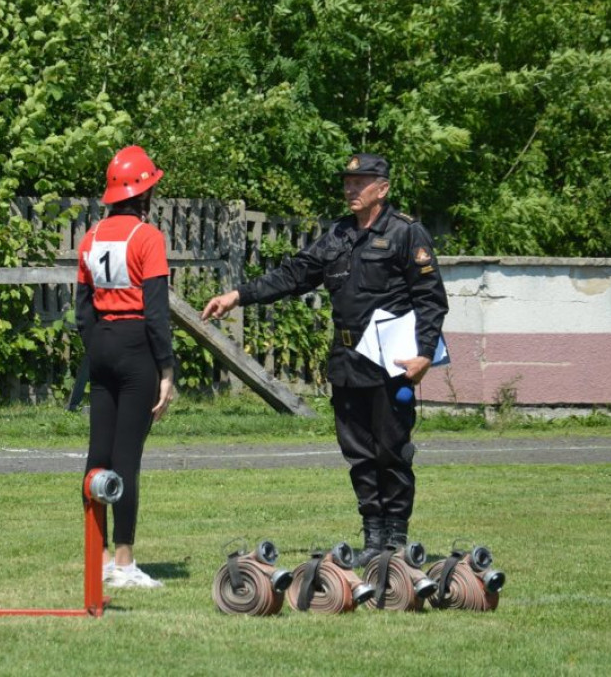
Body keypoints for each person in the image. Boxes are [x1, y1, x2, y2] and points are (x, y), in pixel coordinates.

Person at [201, 153, 448, 568]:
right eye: (348, 182)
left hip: (391, 363)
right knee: (358, 451)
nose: (351, 188)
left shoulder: (406, 233)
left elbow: (430, 299)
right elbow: (294, 275)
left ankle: (397, 538)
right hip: (348, 360)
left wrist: (424, 354)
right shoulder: (337, 234)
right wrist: (237, 296)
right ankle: (373, 536)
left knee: (392, 449)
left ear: (382, 188)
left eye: (360, 182)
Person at [76, 145, 176, 589]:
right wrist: (166, 369)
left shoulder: (91, 237)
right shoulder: (148, 238)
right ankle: (123, 561)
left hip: (101, 344)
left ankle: (93, 556)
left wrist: (97, 345)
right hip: (137, 346)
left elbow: (82, 310)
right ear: (145, 193)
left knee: (97, 457)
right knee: (126, 460)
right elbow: (156, 312)